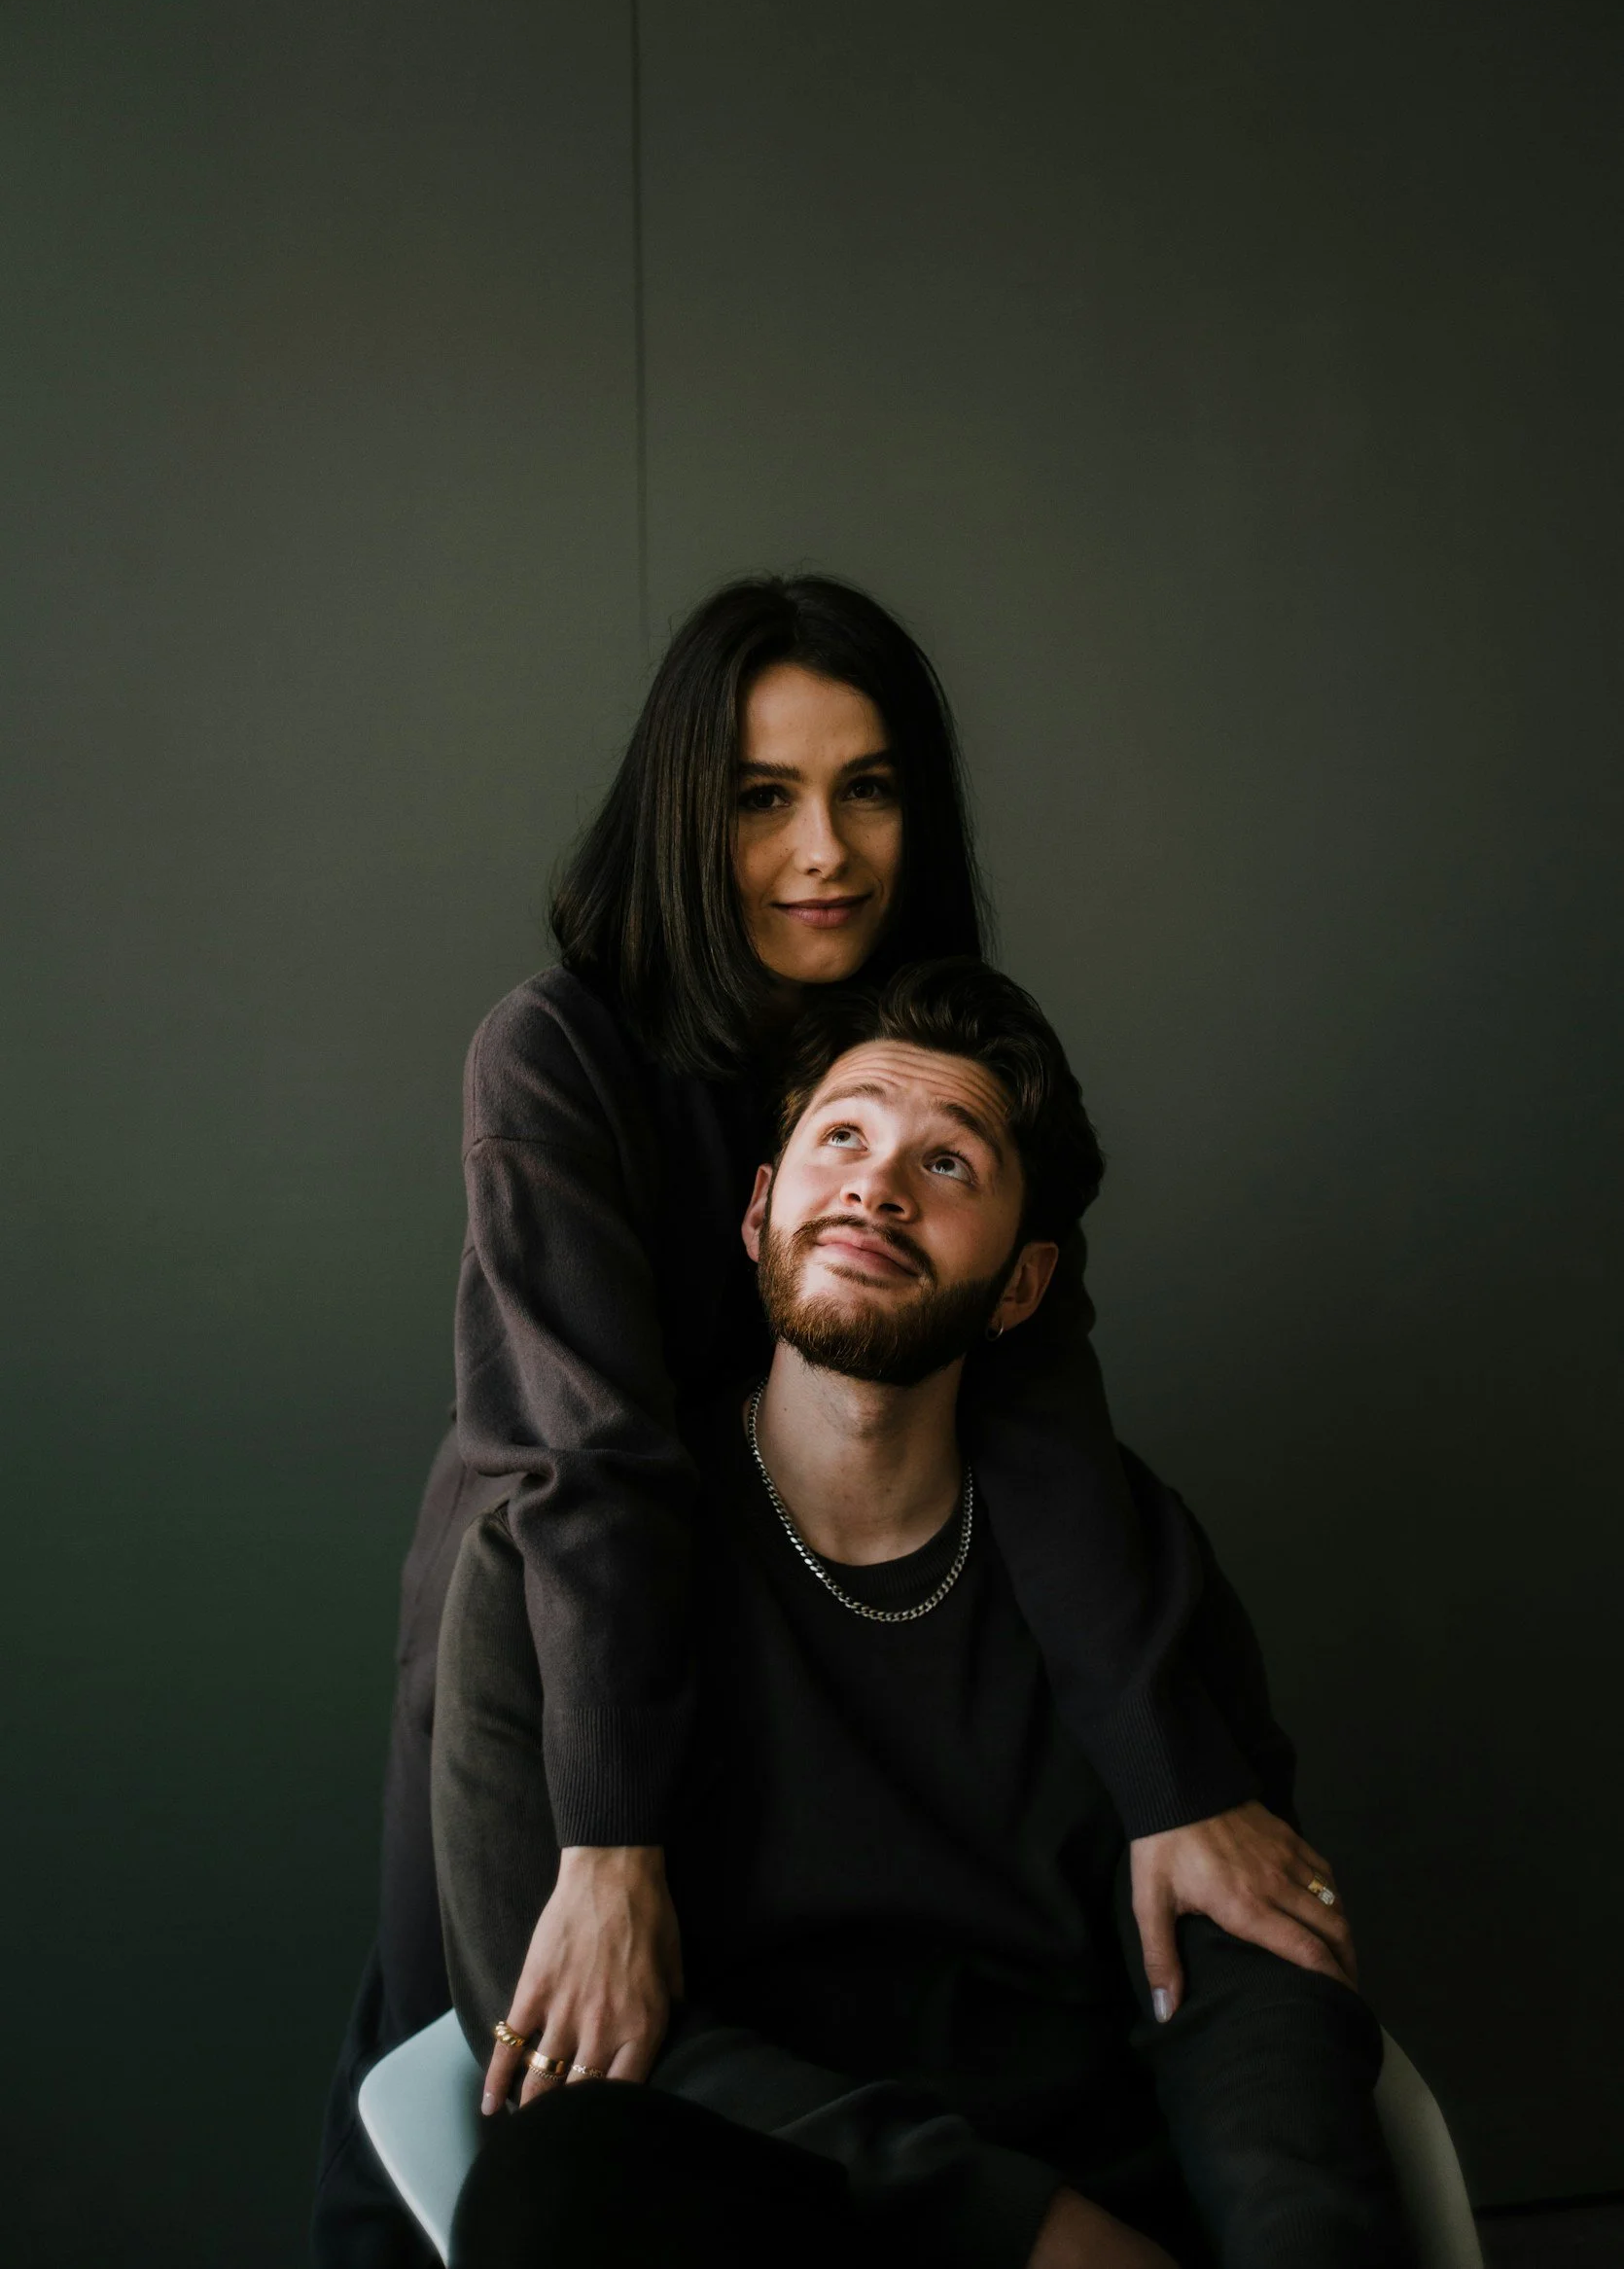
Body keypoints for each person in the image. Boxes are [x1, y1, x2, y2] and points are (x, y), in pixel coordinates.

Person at [314, 577, 1352, 2263]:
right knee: (534, 2085)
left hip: (862, 1556)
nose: (824, 854)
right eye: (760, 797)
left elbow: (1039, 1419)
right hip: (582, 1598)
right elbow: (590, 1461)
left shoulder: (950, 1053)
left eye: (866, 789)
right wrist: (613, 1832)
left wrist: (1173, 1783)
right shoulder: (560, 1055)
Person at [433, 960, 1408, 2269]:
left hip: (1119, 2194)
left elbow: (1246, 1976)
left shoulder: (1118, 1558)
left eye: (947, 1165)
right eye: (842, 1136)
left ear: (1018, 1286)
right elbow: (554, 2021)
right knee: (553, 2189)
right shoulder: (549, 1575)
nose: (876, 1187)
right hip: (799, 2206)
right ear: (759, 1209)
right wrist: (1029, 2239)